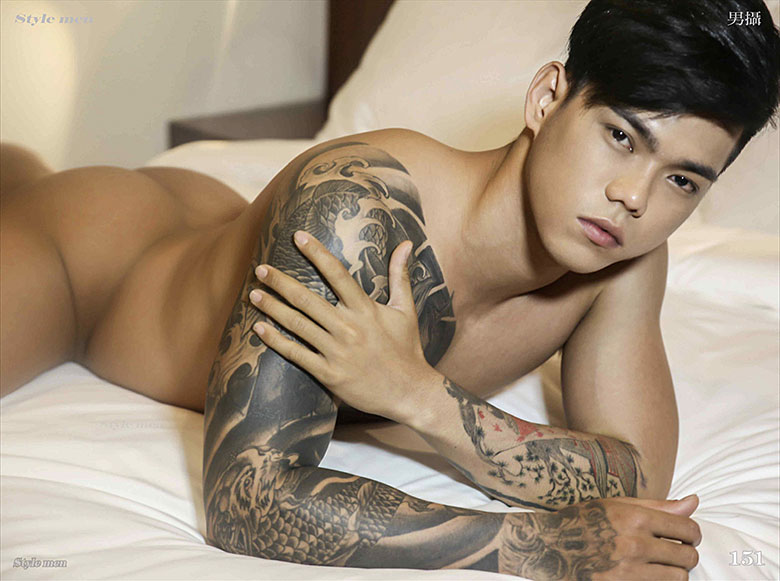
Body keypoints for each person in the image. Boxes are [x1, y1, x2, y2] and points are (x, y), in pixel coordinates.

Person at [0, 0, 777, 578]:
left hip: (208, 217)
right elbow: (246, 501)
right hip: (92, 267)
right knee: (24, 189)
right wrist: (539, 546)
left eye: (682, 179)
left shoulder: (624, 251)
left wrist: (422, 398)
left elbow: (636, 474)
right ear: (547, 99)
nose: (635, 197)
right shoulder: (356, 203)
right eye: (620, 136)